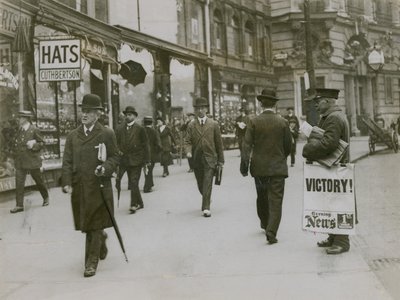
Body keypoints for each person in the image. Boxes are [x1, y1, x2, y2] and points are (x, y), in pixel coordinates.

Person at [61, 94, 120, 277]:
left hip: (99, 187)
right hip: (80, 188)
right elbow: (67, 161)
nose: (84, 114)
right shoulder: (73, 136)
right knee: (86, 224)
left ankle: (90, 262)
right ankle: (101, 239)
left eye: (89, 111)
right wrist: (67, 182)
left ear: (97, 114)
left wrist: (105, 168)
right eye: (83, 110)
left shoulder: (106, 133)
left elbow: (115, 156)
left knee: (93, 224)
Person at [302, 88, 351, 255]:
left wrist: (308, 149)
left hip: (336, 168)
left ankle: (342, 241)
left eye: (319, 101)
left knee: (338, 203)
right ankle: (333, 236)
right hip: (333, 167)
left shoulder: (333, 118)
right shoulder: (331, 117)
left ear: (329, 102)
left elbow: (328, 144)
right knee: (330, 202)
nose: (316, 104)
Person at [240, 89, 292, 244]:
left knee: (262, 197)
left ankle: (264, 222)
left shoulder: (253, 121)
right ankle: (271, 231)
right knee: (276, 200)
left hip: (259, 168)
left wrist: (244, 166)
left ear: (261, 103)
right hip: (277, 168)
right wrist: (281, 158)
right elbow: (288, 145)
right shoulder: (283, 122)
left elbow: (246, 145)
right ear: (275, 104)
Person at [184, 97, 224, 217]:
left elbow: (219, 143)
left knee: (207, 181)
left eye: (202, 108)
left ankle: (206, 207)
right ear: (195, 110)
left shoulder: (213, 124)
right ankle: (206, 197)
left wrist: (221, 160)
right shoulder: (191, 125)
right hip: (196, 159)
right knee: (200, 183)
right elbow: (187, 141)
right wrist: (188, 151)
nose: (200, 110)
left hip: (210, 158)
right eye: (198, 108)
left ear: (206, 109)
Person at [10, 110, 49, 213]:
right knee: (19, 183)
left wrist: (34, 145)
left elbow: (42, 143)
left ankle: (46, 197)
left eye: (20, 118)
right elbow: (16, 146)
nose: (18, 119)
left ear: (26, 119)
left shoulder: (34, 130)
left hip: (32, 161)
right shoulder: (19, 130)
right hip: (20, 162)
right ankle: (19, 205)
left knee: (39, 181)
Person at [115, 106, 150, 213]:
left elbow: (146, 145)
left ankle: (134, 204)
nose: (127, 116)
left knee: (134, 182)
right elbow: (115, 143)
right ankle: (140, 202)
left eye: (130, 115)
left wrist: (147, 161)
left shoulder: (140, 129)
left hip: (137, 160)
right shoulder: (120, 129)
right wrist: (118, 151)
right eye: (126, 115)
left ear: (134, 116)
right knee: (122, 181)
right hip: (124, 160)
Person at [143, 116, 161, 193]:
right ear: (151, 123)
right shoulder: (154, 131)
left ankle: (150, 184)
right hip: (152, 154)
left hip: (142, 154)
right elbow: (158, 144)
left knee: (146, 169)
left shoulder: (141, 131)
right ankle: (147, 186)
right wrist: (157, 152)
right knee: (150, 170)